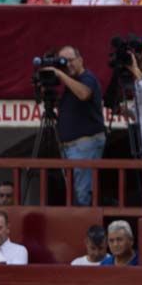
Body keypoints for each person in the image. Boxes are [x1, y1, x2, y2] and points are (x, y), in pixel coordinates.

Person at [39, 45, 104, 206]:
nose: (68, 64)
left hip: (84, 144)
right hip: (70, 147)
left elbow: (84, 94)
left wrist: (60, 74)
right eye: (64, 62)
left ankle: (85, 227)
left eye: (70, 60)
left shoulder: (87, 78)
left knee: (82, 193)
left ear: (80, 60)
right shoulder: (69, 84)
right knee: (74, 192)